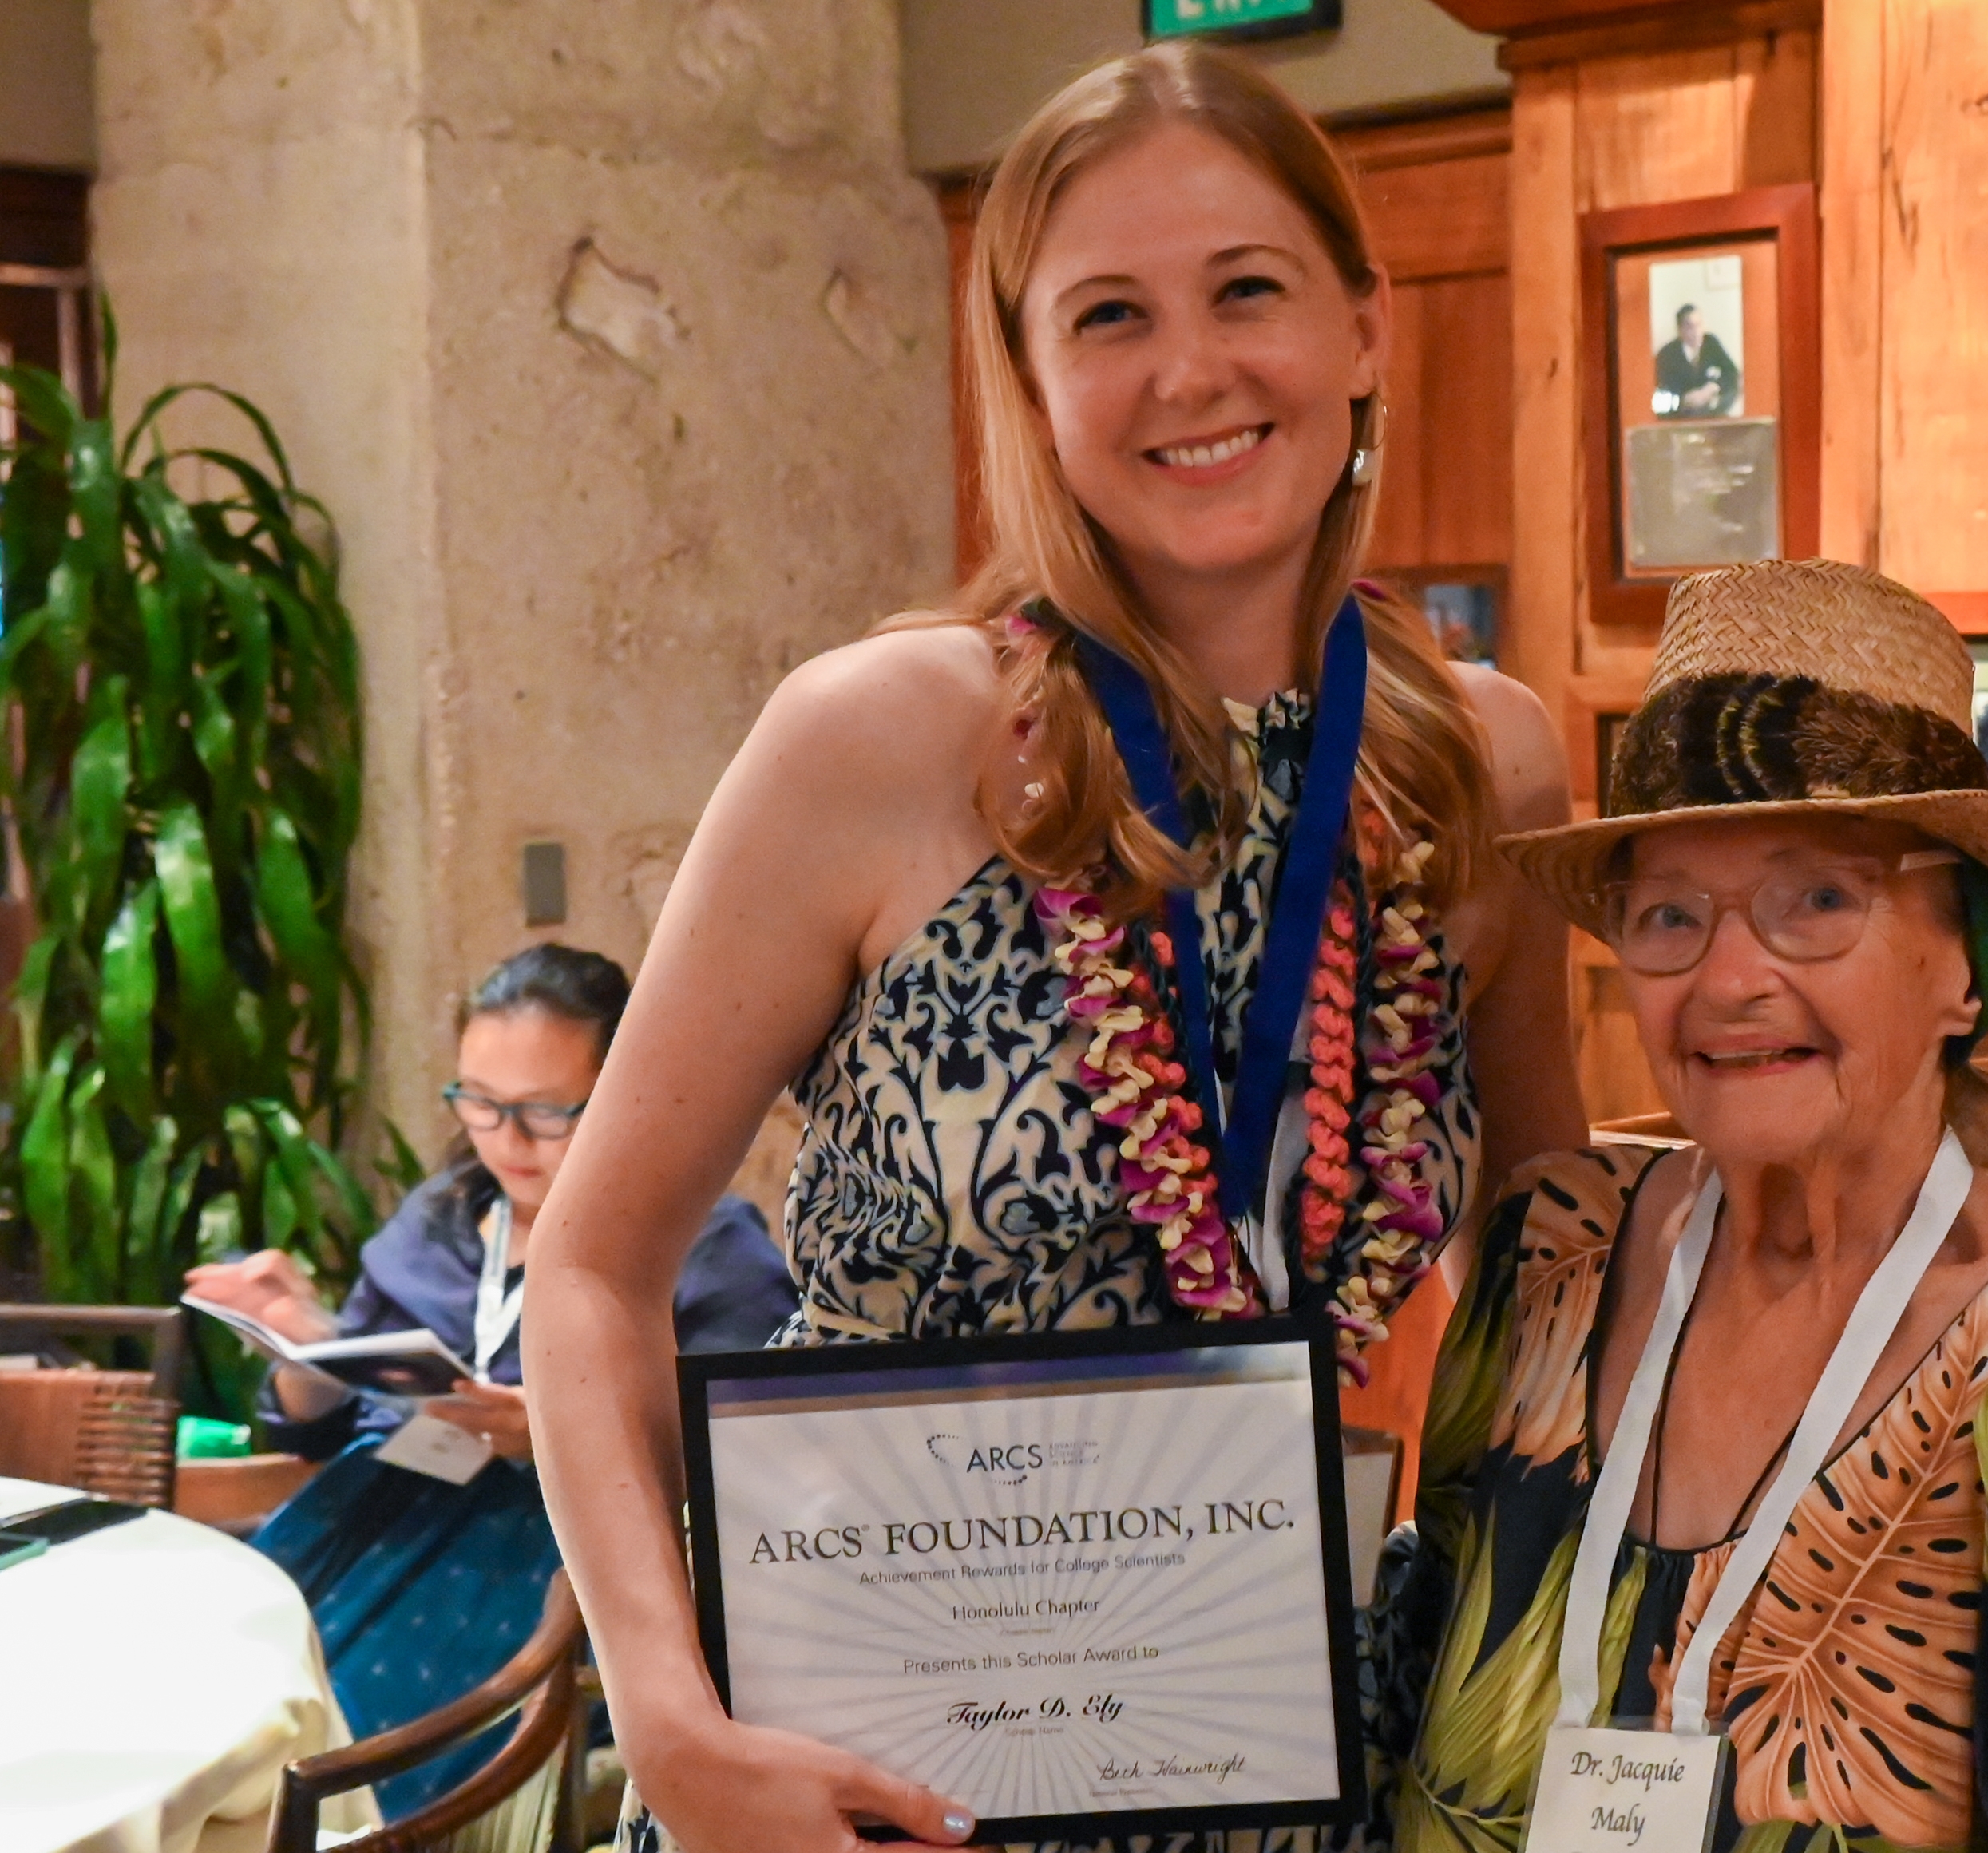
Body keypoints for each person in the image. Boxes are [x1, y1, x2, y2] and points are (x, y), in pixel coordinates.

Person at [521, 42, 1587, 1853]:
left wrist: (1935, 1223)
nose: (1192, 368)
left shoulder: (1483, 760)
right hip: (863, 1776)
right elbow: (591, 1272)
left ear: (1363, 327)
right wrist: (669, 1724)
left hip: (1261, 1757)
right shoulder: (874, 740)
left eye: (1246, 289)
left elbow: (1554, 1234)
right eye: (1107, 315)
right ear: (1024, 377)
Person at [1384, 560, 1988, 1853]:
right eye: (1667, 914)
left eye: (1816, 901)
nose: (1727, 980)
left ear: (1961, 964)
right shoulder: (1552, 1257)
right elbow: (1406, 1698)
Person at [187, 944, 794, 1816]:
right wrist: (306, 1352)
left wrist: (559, 1431)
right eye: (478, 1101)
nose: (504, 1138)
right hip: (374, 1514)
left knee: (347, 1754)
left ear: (622, 1091)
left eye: (546, 1112)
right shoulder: (438, 1217)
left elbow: (754, 1464)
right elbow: (316, 1431)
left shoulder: (704, 1245)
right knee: (230, 1680)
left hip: (546, 1563)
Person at [1654, 303, 1740, 418]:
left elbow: (1732, 372)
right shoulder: (1667, 354)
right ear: (1680, 329)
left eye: (1699, 325)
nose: (1696, 332)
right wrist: (1683, 400)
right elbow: (1660, 395)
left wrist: (1712, 387)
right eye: (1690, 327)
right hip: (1681, 417)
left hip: (1712, 411)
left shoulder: (1711, 342)